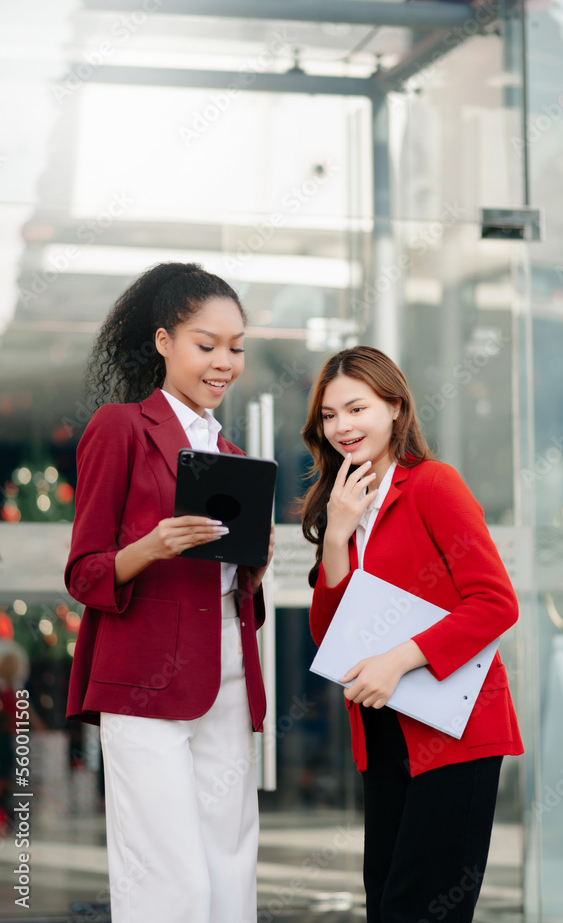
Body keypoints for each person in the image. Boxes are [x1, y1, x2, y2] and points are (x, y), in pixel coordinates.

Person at [65, 262, 273, 923]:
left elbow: (232, 591)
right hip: (144, 680)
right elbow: (84, 573)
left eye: (236, 348)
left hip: (230, 674)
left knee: (231, 863)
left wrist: (255, 571)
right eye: (206, 345)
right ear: (163, 342)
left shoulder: (234, 454)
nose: (224, 362)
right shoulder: (120, 428)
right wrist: (151, 546)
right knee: (167, 873)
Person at [302, 346, 523, 923]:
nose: (342, 427)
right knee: (389, 905)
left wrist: (400, 658)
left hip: (454, 732)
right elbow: (333, 637)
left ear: (396, 408)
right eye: (329, 416)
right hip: (384, 734)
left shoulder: (432, 486)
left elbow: (496, 602)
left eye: (356, 408)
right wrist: (334, 539)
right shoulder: (344, 506)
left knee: (422, 908)